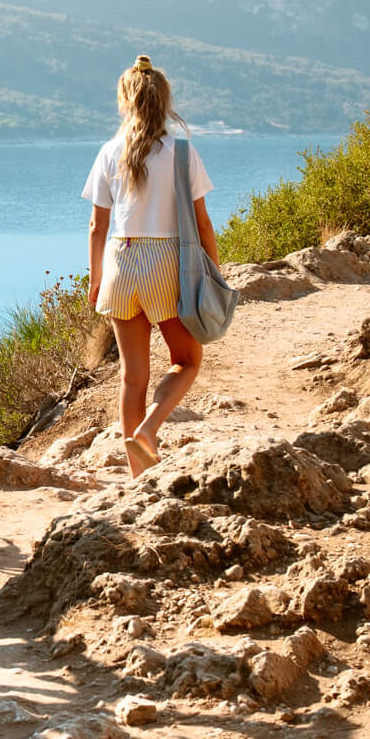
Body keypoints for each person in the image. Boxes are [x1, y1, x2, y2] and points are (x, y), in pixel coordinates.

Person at [82, 55, 225, 478]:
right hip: (166, 261)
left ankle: (137, 475)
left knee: (132, 377)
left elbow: (96, 227)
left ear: (125, 101)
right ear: (164, 101)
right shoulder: (182, 152)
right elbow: (203, 224)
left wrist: (95, 279)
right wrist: (213, 272)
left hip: (121, 261)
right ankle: (147, 431)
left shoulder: (110, 152)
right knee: (186, 360)